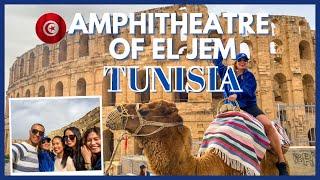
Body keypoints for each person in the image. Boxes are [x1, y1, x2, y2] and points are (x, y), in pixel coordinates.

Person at [213, 44, 288, 175]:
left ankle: (281, 161)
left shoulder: (249, 76)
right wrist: (221, 46)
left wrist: (237, 94)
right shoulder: (226, 72)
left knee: (267, 125)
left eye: (245, 61)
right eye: (240, 60)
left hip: (249, 106)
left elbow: (249, 91)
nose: (243, 62)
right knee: (215, 128)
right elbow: (217, 62)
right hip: (231, 107)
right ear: (236, 62)